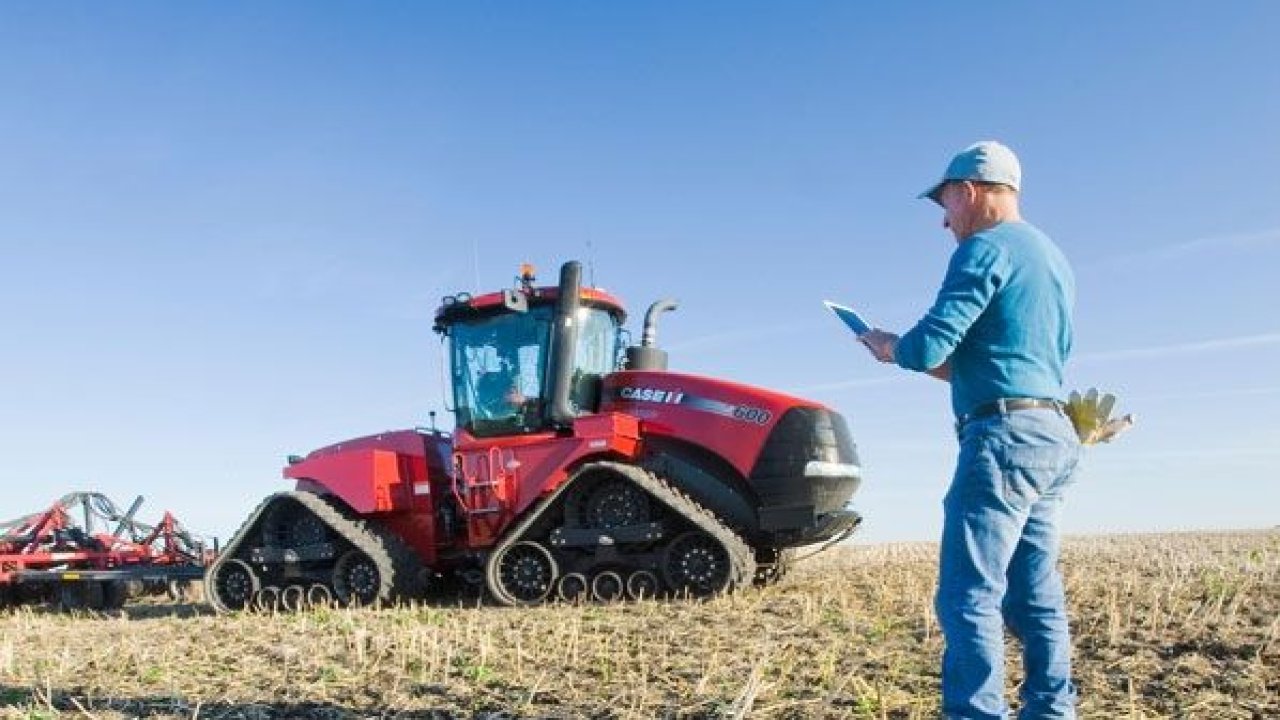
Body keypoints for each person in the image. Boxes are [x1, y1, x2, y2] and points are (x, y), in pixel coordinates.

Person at [859, 140, 1082, 719]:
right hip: (1051, 435)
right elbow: (1007, 362)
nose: (943, 219)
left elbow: (930, 343)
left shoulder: (983, 248)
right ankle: (1052, 711)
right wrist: (909, 357)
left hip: (1003, 442)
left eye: (946, 202)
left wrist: (891, 346)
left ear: (970, 191)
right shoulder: (1052, 257)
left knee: (968, 596)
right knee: (1035, 595)